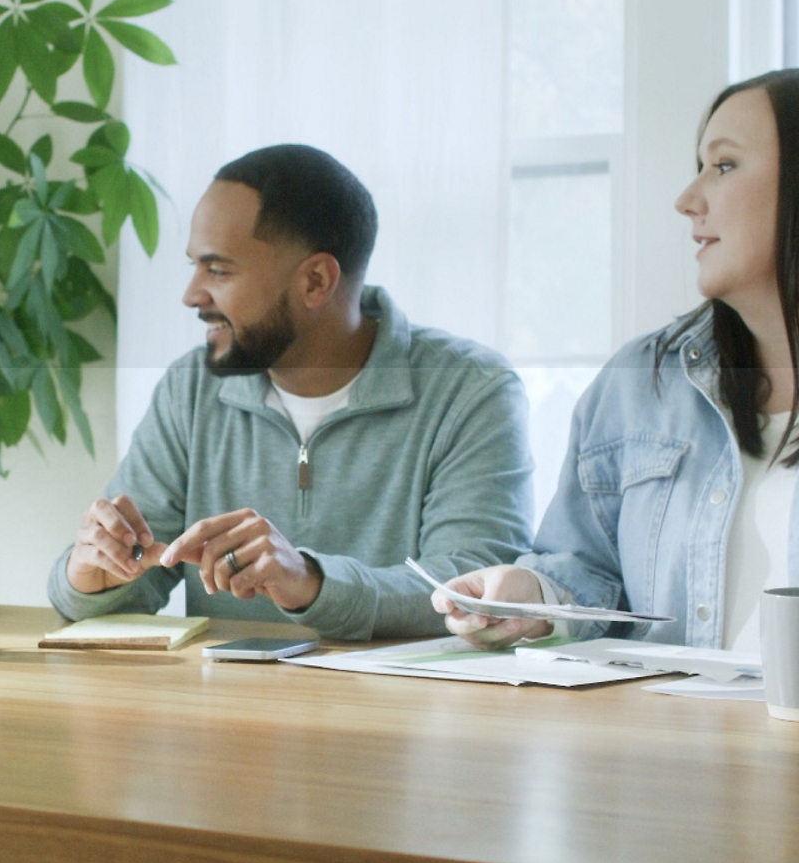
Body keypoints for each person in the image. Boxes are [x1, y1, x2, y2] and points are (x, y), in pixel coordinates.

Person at [48, 144, 534, 640]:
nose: (191, 294)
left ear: (316, 281)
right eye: (194, 266)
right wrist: (92, 581)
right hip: (221, 708)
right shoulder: (189, 390)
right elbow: (127, 582)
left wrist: (311, 582)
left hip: (404, 711)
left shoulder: (472, 391)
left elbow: (476, 594)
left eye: (218, 270)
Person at [433, 69, 799, 652]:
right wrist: (532, 594)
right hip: (673, 743)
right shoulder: (639, 384)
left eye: (724, 166)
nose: (687, 200)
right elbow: (587, 571)